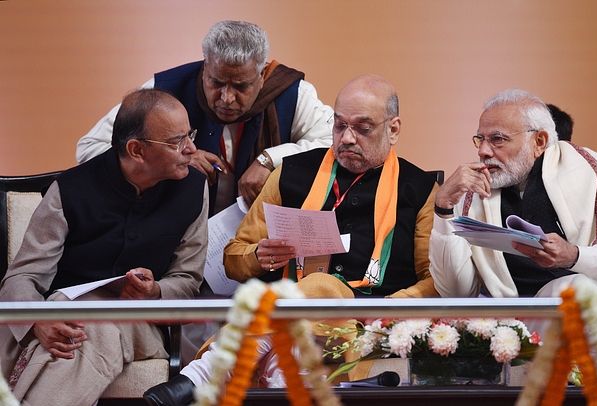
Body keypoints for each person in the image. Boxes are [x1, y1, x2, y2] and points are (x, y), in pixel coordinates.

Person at [143, 74, 440, 406]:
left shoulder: (420, 190)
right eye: (339, 126)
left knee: (324, 286)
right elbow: (233, 257)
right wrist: (260, 256)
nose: (347, 138)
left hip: (365, 324)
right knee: (288, 349)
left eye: (363, 128)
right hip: (291, 326)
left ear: (393, 129)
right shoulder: (291, 174)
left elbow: (434, 280)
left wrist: (385, 309)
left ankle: (204, 373)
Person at [0, 88, 209, 406]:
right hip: (65, 315)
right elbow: (21, 277)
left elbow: (188, 281)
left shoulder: (195, 190)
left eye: (189, 135)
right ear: (137, 150)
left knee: (90, 325)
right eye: (176, 141)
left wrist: (154, 292)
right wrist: (38, 320)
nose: (192, 149)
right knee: (82, 323)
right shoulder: (69, 190)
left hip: (141, 325)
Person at [429, 88, 597, 382]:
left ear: (539, 141)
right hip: (516, 318)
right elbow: (456, 291)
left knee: (576, 290)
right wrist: (444, 208)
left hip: (595, 305)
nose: (483, 151)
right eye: (480, 139)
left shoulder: (590, 169)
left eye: (497, 139)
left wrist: (574, 256)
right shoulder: (473, 190)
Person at [76, 20, 333, 215]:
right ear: (205, 66)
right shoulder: (163, 90)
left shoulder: (292, 93)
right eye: (217, 82)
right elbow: (89, 148)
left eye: (241, 86)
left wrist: (271, 160)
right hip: (171, 236)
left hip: (262, 243)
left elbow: (334, 144)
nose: (226, 98)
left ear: (263, 74)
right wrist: (169, 159)